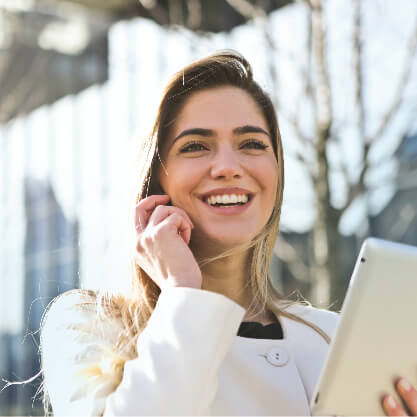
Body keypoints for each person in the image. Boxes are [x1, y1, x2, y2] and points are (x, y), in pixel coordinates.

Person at [40, 51, 417, 416]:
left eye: (252, 144)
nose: (227, 166)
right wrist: (183, 292)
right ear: (155, 179)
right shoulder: (88, 326)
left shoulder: (336, 339)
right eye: (196, 146)